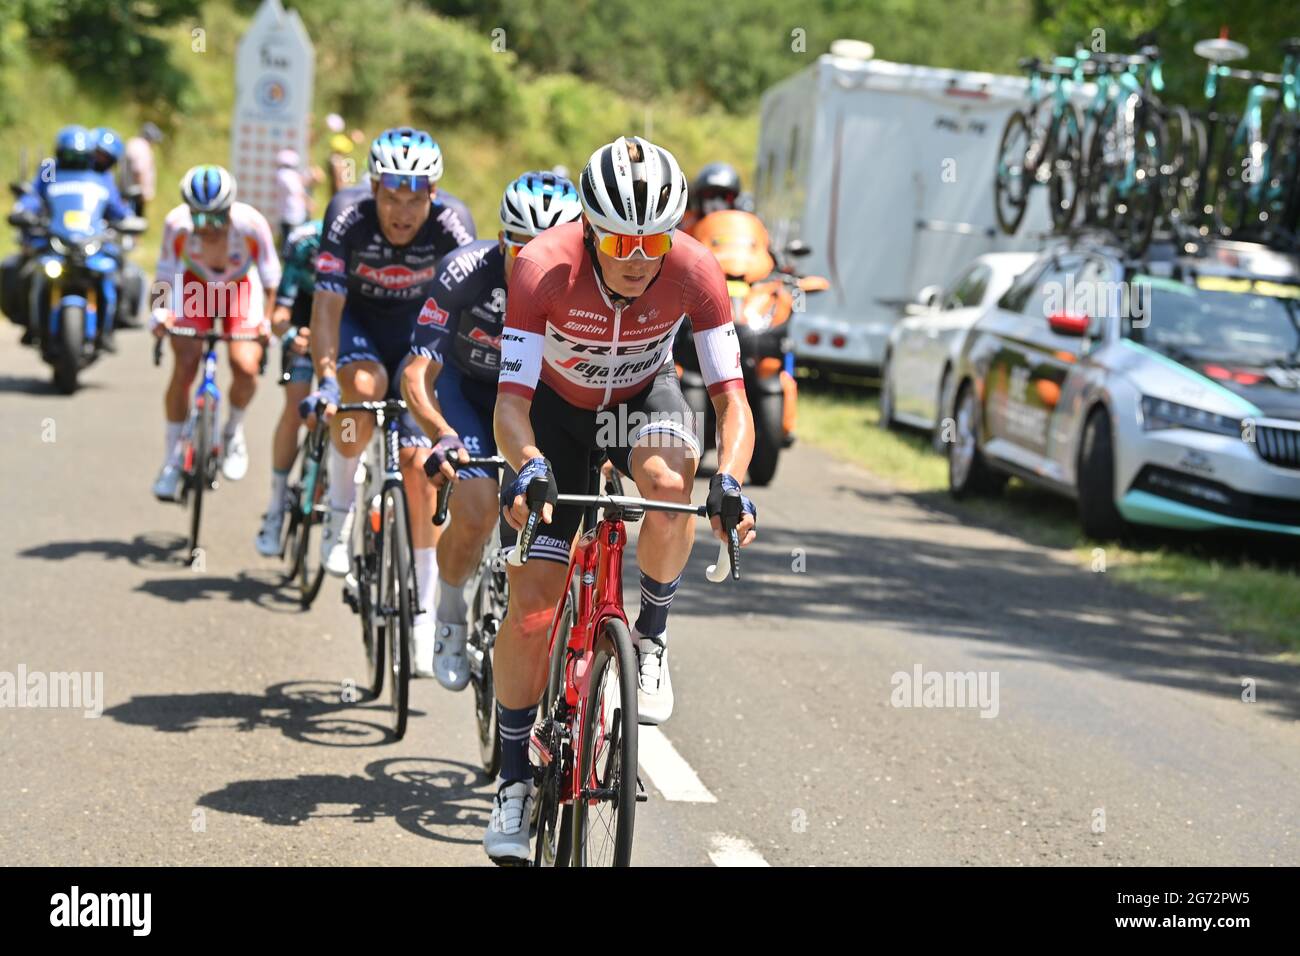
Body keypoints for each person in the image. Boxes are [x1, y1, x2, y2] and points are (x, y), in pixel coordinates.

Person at [482, 136, 758, 864]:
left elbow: (733, 401)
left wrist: (730, 479)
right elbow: (510, 405)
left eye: (654, 239)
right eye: (620, 239)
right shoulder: (542, 266)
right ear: (589, 227)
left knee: (674, 487)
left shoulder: (697, 269)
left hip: (641, 400)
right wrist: (529, 463)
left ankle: (653, 638)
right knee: (535, 608)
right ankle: (512, 782)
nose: (639, 257)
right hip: (556, 418)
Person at [300, 127, 476, 678]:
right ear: (373, 187)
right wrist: (326, 377)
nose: (402, 212)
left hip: (420, 338)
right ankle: (340, 514)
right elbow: (327, 305)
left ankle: (424, 615)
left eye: (415, 198)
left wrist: (443, 401)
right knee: (364, 389)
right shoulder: (346, 215)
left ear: (433, 194)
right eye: (390, 197)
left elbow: (463, 319)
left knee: (419, 466)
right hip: (359, 326)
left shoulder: (454, 225)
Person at [402, 170, 582, 690]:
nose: (531, 266)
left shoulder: (585, 286)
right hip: (470, 394)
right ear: (500, 238)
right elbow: (418, 371)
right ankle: (451, 616)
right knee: (478, 508)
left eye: (548, 251)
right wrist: (440, 432)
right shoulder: (463, 272)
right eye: (519, 250)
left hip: (537, 401)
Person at [150, 165, 280, 501]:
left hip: (239, 289)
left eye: (217, 219)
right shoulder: (176, 224)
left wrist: (265, 321)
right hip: (196, 287)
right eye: (200, 218)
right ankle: (171, 460)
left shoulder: (251, 224)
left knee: (246, 365)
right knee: (185, 365)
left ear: (230, 209)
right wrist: (160, 311)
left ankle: (233, 431)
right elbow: (165, 271)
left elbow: (269, 278)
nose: (207, 228)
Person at [11, 125, 134, 351]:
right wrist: (24, 211)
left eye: (78, 156)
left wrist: (126, 219)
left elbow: (117, 209)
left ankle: (109, 327)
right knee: (23, 271)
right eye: (67, 155)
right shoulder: (50, 168)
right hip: (54, 238)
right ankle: (30, 322)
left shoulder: (100, 175)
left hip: (91, 241)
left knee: (119, 273)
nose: (72, 160)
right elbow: (35, 196)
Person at [254, 219, 321, 556]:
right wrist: (291, 334)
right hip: (303, 322)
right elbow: (280, 313)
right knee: (298, 409)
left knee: (347, 420)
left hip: (347, 332)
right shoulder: (305, 242)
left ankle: (330, 490)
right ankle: (277, 503)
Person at [680, 162, 742, 235]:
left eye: (724, 196)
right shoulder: (687, 224)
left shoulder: (742, 226)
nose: (716, 202)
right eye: (709, 194)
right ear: (699, 198)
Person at [123, 123, 163, 218]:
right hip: (135, 195)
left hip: (125, 192)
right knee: (134, 225)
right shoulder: (142, 148)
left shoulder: (131, 143)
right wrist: (142, 193)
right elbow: (138, 170)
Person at [274, 149, 311, 247]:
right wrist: (308, 203)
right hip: (294, 211)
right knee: (294, 238)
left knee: (286, 236)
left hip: (284, 211)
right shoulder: (288, 175)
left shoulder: (280, 174)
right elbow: (298, 192)